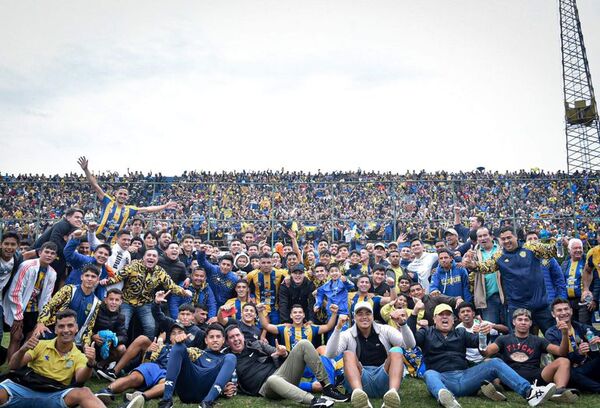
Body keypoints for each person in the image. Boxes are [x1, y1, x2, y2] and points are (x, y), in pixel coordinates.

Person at [416, 304, 556, 408]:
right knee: (429, 373)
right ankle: (446, 398)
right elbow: (410, 342)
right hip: (442, 378)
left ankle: (529, 392)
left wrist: (483, 333)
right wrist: (410, 318)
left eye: (448, 314)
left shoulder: (461, 333)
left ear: (453, 319)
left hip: (465, 377)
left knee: (494, 362)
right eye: (441, 314)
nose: (445, 317)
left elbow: (481, 345)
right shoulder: (426, 332)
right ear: (434, 319)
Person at [0, 309, 105, 408]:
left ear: (76, 328)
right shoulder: (40, 344)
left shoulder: (79, 356)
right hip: (23, 388)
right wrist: (22, 350)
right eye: (61, 326)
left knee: (84, 392)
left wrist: (90, 363)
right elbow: (13, 366)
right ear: (55, 329)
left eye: (70, 325)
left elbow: (80, 379)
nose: (66, 330)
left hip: (54, 395)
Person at [464, 226, 558, 334]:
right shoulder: (499, 256)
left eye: (509, 237)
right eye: (503, 239)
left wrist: (559, 244)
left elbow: (551, 252)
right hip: (518, 307)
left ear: (516, 237)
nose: (506, 241)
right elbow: (485, 267)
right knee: (522, 342)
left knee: (554, 336)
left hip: (540, 303)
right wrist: (472, 264)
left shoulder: (531, 247)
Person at [225, 325, 344, 407]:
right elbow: (222, 378)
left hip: (282, 373)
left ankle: (328, 388)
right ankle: (314, 401)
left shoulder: (255, 344)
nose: (236, 339)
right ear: (227, 341)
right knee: (272, 380)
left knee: (304, 343)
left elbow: (278, 351)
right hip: (265, 388)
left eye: (237, 335)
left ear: (242, 336)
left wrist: (283, 353)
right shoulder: (228, 359)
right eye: (231, 337)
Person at [325, 301, 415, 408]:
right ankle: (359, 395)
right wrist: (338, 328)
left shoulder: (385, 329)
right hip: (360, 378)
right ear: (354, 317)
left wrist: (403, 324)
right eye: (360, 314)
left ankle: (392, 393)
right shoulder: (347, 334)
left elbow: (410, 344)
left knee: (396, 350)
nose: (364, 317)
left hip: (383, 377)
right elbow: (329, 354)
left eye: (368, 314)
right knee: (348, 354)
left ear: (372, 316)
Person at [483, 308, 576, 403]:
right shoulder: (503, 339)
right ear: (514, 322)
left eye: (526, 320)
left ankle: (559, 391)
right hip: (509, 375)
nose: (523, 322)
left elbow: (562, 352)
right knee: (489, 361)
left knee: (564, 361)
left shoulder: (539, 340)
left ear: (530, 323)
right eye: (520, 319)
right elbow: (486, 352)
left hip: (534, 376)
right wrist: (481, 335)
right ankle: (497, 387)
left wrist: (565, 334)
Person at [78, 156, 177, 244]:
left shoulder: (129, 210)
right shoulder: (107, 201)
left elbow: (148, 209)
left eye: (125, 194)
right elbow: (95, 186)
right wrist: (86, 170)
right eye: (120, 193)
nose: (122, 196)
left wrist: (164, 206)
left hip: (112, 243)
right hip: (95, 237)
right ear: (115, 194)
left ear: (128, 197)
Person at [101, 249, 192, 339]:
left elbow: (171, 286)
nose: (151, 257)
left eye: (154, 256)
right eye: (149, 255)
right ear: (144, 257)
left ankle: (147, 352)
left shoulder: (160, 272)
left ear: (157, 260)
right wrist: (105, 281)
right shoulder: (133, 266)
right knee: (123, 326)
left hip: (145, 303)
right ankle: (118, 349)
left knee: (151, 328)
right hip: (127, 302)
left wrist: (184, 292)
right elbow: (118, 276)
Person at [95, 322, 189, 407]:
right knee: (135, 377)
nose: (177, 335)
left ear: (185, 335)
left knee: (168, 383)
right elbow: (146, 363)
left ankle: (140, 397)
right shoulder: (162, 347)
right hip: (155, 367)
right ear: (170, 337)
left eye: (180, 332)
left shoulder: (190, 351)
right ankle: (108, 391)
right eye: (173, 333)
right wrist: (148, 352)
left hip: (169, 373)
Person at [158, 324, 237, 408]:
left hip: (207, 391)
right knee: (178, 346)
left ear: (223, 340)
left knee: (231, 357)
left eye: (218, 337)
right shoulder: (196, 352)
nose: (215, 340)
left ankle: (207, 403)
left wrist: (227, 390)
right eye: (211, 337)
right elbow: (179, 354)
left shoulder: (226, 359)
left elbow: (233, 384)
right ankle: (166, 401)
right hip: (187, 388)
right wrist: (179, 340)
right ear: (206, 340)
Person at [4, 242, 58, 358]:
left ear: (55, 256)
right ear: (39, 253)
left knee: (30, 339)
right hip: (19, 307)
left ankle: (21, 367)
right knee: (16, 337)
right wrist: (18, 316)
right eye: (47, 252)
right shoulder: (27, 266)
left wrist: (41, 319)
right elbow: (15, 291)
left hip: (34, 309)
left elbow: (47, 298)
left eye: (52, 253)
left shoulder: (52, 273)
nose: (49, 255)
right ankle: (12, 370)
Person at [33, 265, 101, 347]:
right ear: (82, 277)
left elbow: (89, 326)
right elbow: (49, 306)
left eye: (93, 277)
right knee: (37, 339)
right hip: (54, 331)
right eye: (87, 275)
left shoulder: (96, 302)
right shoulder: (68, 289)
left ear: (97, 280)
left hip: (73, 340)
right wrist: (41, 323)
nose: (89, 279)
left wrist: (86, 344)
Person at [546, 298, 600, 393]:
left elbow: (597, 335)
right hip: (570, 370)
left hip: (587, 365)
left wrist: (598, 340)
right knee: (572, 374)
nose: (563, 312)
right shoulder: (551, 333)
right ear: (553, 314)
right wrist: (578, 352)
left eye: (566, 309)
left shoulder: (581, 327)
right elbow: (561, 357)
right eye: (559, 310)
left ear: (571, 311)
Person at [31, 208, 85, 284]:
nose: (79, 220)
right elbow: (54, 242)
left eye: (81, 218)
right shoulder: (63, 224)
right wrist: (68, 254)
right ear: (68, 217)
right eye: (77, 217)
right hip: (38, 258)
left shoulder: (72, 228)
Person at [258, 303, 338, 350]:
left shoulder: (311, 328)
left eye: (300, 312)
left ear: (303, 315)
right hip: (290, 364)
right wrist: (260, 312)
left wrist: (334, 313)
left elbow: (328, 327)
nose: (297, 314)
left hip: (308, 365)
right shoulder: (284, 328)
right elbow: (266, 326)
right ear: (291, 316)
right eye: (295, 313)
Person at [63, 230, 113, 298]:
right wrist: (75, 239)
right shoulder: (85, 260)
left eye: (106, 254)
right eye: (100, 253)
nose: (103, 256)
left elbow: (99, 290)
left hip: (86, 302)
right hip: (69, 296)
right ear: (94, 253)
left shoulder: (105, 272)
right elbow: (68, 253)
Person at [470, 226, 504, 324]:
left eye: (485, 235)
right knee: (491, 329)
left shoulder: (501, 250)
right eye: (480, 236)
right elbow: (470, 267)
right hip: (488, 298)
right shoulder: (474, 254)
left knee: (509, 328)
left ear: (491, 236)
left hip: (505, 296)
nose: (483, 238)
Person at [562, 238, 598, 324]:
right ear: (569, 250)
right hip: (569, 302)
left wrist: (595, 300)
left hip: (585, 301)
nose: (578, 250)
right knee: (573, 327)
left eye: (580, 248)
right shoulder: (565, 264)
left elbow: (597, 281)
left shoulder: (588, 262)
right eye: (575, 248)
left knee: (584, 326)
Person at [525, 231, 567, 305]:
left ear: (539, 241)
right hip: (530, 303)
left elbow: (559, 280)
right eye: (530, 239)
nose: (533, 241)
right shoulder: (521, 259)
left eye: (535, 238)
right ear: (525, 243)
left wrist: (561, 300)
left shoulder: (549, 258)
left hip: (549, 302)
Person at [90, 288, 127, 369]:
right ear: (105, 300)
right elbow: (86, 327)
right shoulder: (96, 310)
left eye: (117, 300)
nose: (113, 302)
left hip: (107, 345)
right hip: (91, 343)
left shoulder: (121, 317)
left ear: (121, 302)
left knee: (122, 349)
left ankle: (101, 364)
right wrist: (93, 336)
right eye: (111, 299)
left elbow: (123, 336)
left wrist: (112, 339)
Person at [0, 231, 23, 361]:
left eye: (13, 244)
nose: (9, 247)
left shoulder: (18, 259)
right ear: (1, 245)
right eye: (6, 244)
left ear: (17, 246)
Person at [246, 253, 287, 324]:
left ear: (272, 263)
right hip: (259, 309)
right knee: (260, 330)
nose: (266, 265)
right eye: (263, 263)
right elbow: (248, 288)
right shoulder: (252, 275)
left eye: (268, 262)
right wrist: (250, 296)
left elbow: (290, 279)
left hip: (275, 309)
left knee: (275, 331)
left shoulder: (280, 273)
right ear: (259, 263)